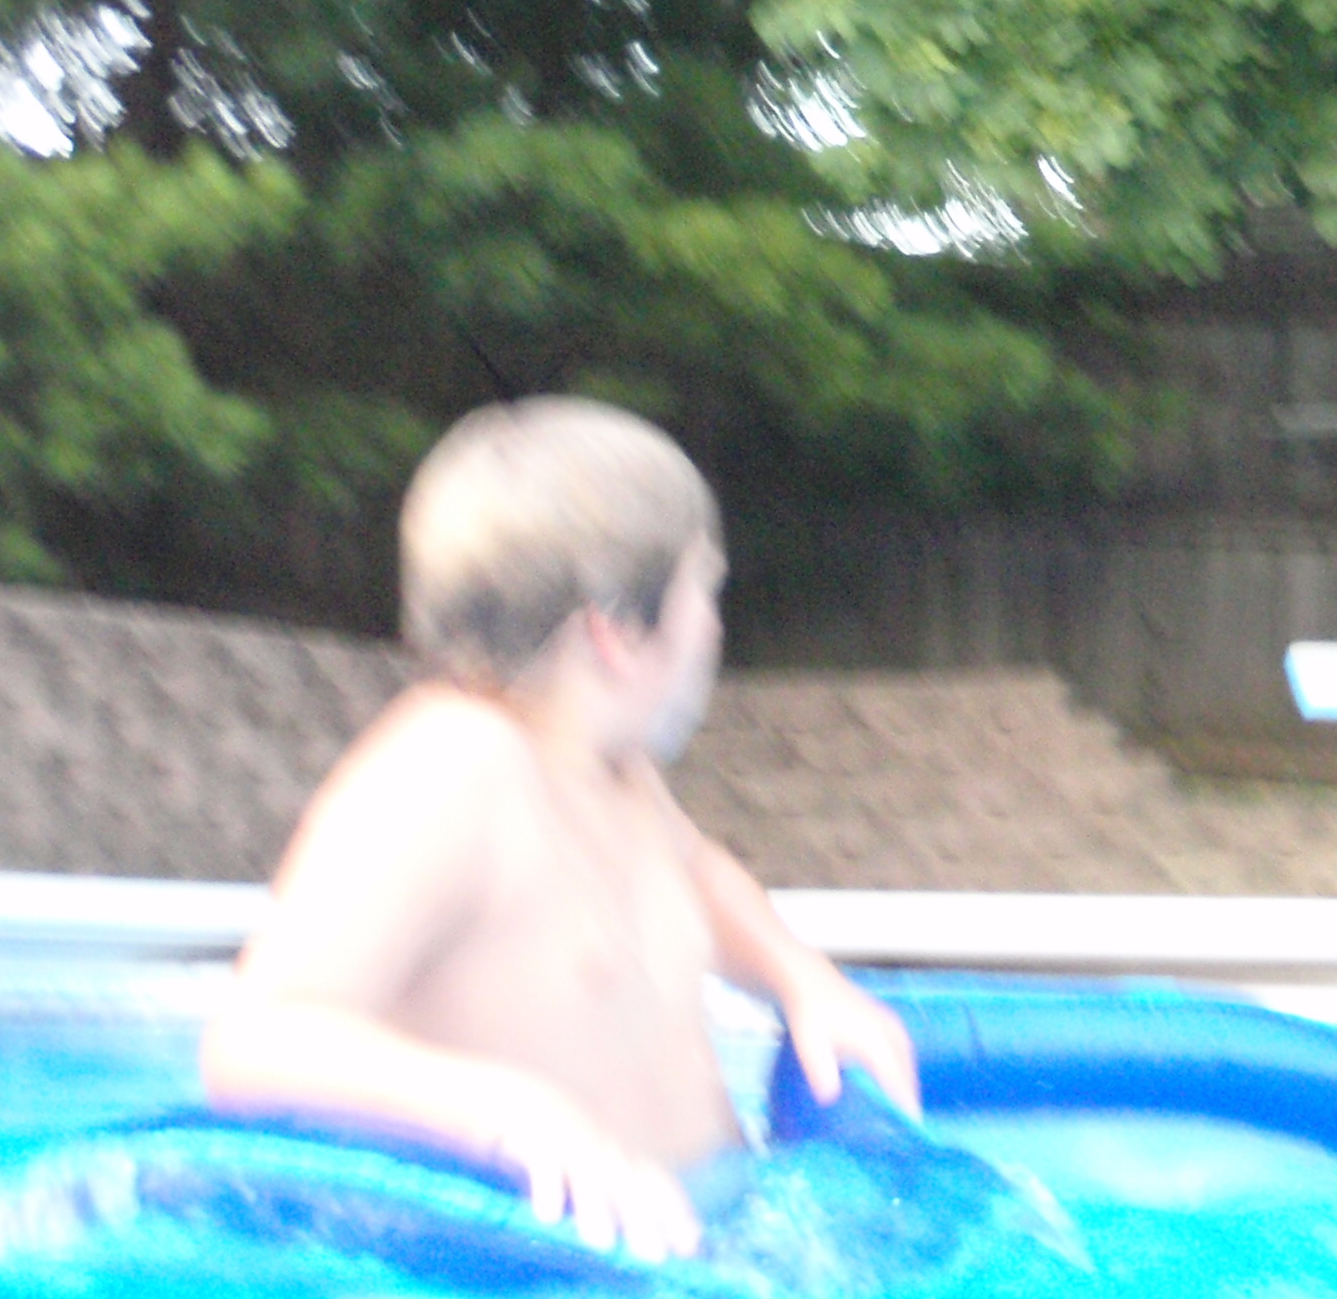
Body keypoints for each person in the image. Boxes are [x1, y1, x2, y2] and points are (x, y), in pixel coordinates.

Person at [199, 397, 918, 1264]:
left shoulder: (618, 772)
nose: (716, 626)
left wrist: (803, 980)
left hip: (703, 1236)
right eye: (704, 590)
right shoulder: (451, 769)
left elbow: (700, 877)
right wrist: (507, 1114)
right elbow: (257, 1039)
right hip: (535, 1263)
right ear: (616, 631)